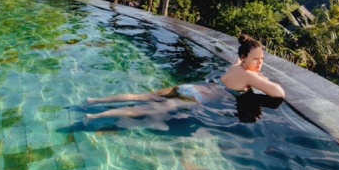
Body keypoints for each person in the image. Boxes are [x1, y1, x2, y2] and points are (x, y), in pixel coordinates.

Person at [81, 34, 285, 121]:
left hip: (189, 87)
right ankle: (94, 117)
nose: (260, 63)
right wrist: (262, 79)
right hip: (194, 98)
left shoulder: (236, 66)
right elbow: (279, 93)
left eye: (262, 59)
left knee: (141, 97)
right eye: (256, 59)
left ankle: (94, 101)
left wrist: (253, 67)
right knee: (142, 109)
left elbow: (238, 62)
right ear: (244, 57)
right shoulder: (250, 76)